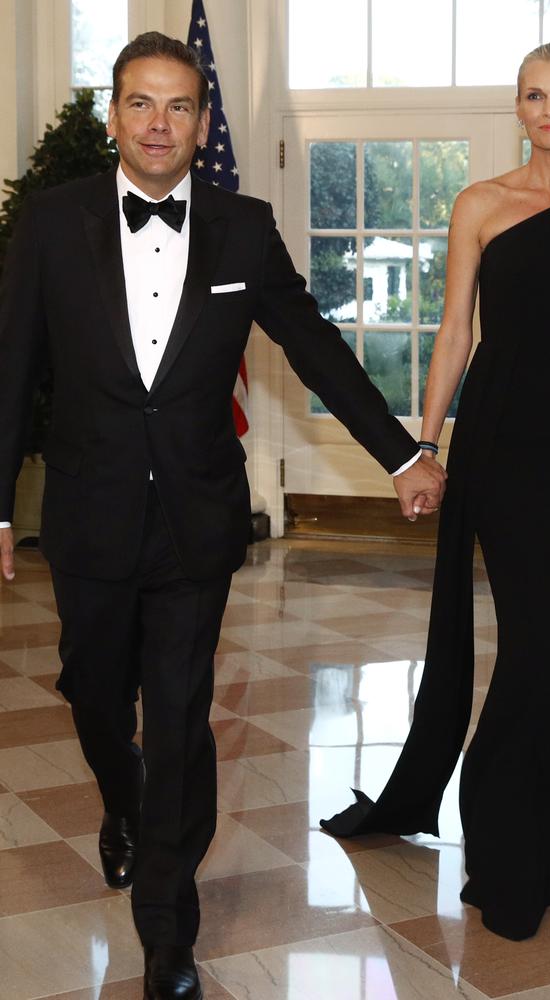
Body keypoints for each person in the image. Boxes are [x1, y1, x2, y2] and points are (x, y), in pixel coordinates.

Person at [0, 32, 445, 1000]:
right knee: (88, 688)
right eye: (140, 103)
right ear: (112, 114)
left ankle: (168, 927)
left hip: (195, 520)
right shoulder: (49, 221)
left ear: (201, 124)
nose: (159, 123)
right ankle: (121, 801)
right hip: (88, 511)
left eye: (179, 106)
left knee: (181, 719)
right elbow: (10, 370)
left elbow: (314, 346)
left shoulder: (243, 228)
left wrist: (403, 451)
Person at [321, 42, 550, 941]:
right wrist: (424, 446)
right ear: (520, 106)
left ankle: (534, 846)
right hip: (498, 440)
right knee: (534, 641)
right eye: (535, 96)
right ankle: (504, 844)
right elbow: (456, 333)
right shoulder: (479, 204)